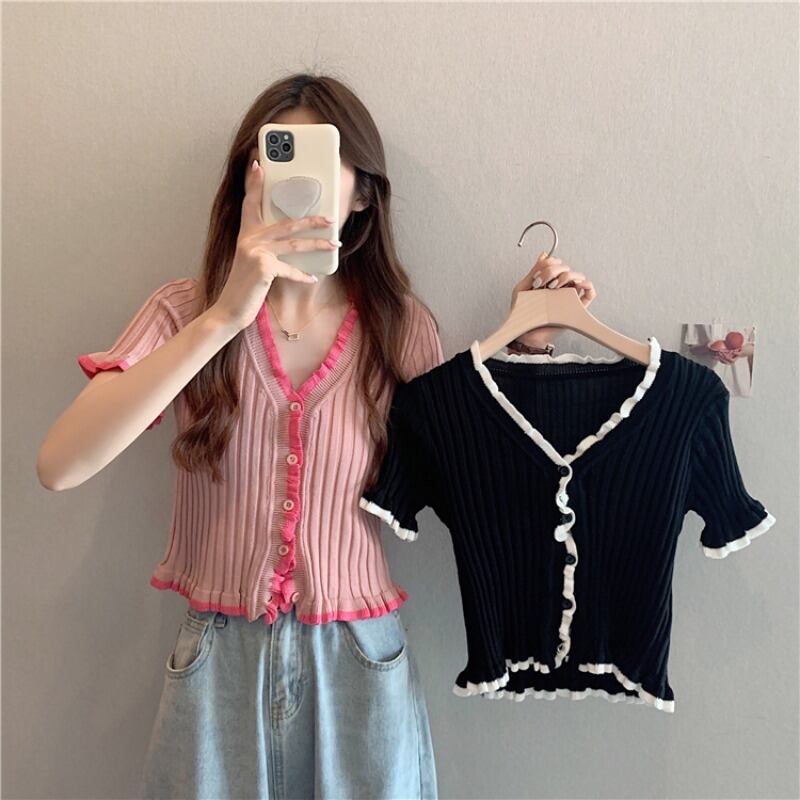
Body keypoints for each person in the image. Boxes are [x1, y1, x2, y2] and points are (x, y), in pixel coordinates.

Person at [36, 73, 596, 800]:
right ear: (246, 182)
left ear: (362, 191)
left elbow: (482, 491)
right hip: (216, 666)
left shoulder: (399, 326)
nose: (292, 181)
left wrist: (524, 346)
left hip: (360, 663)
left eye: (319, 158)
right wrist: (224, 318)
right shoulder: (185, 312)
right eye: (271, 157)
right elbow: (59, 464)